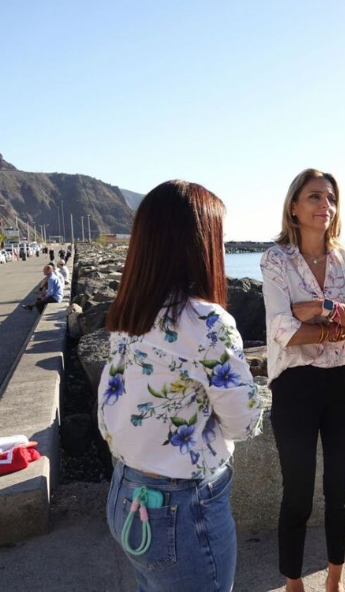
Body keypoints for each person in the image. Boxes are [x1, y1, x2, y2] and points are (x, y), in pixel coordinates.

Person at [98, 180, 263, 592]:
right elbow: (243, 423)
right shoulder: (205, 321)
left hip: (126, 491)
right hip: (182, 507)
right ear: (199, 245)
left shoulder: (129, 314)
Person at [260, 168, 345, 592]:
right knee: (297, 492)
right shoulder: (275, 259)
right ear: (293, 206)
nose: (325, 206)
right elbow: (282, 329)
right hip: (294, 385)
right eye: (314, 197)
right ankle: (294, 583)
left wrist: (324, 307)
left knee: (340, 492)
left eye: (330, 198)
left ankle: (335, 580)